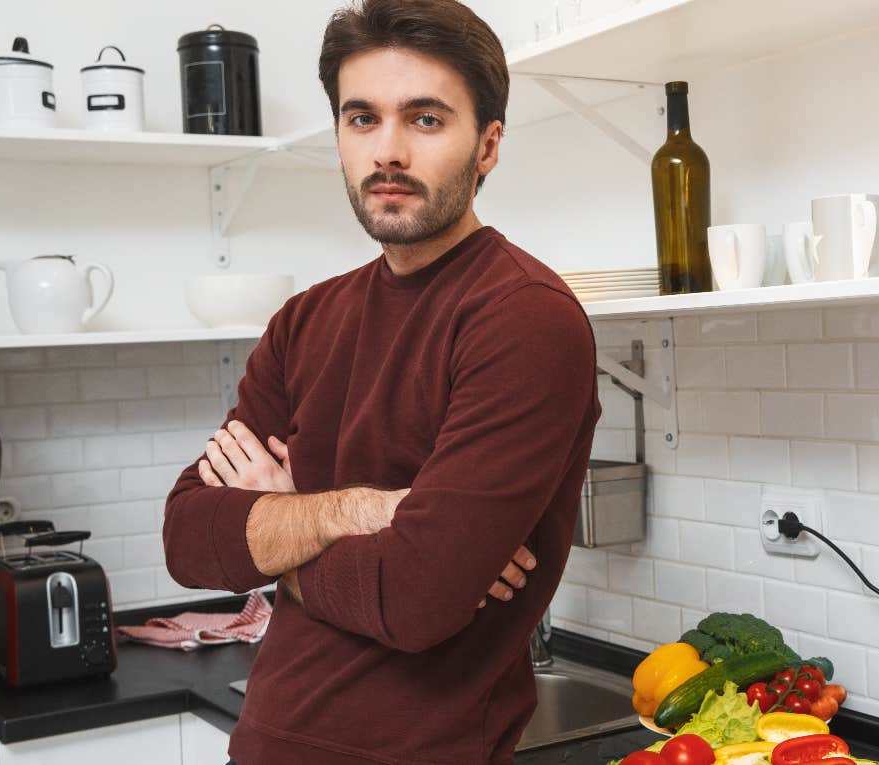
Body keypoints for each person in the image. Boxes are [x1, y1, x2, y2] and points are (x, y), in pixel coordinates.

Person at [161, 1, 602, 762]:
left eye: (425, 120)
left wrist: (279, 521)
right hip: (264, 744)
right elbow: (190, 538)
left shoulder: (524, 319)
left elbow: (414, 600)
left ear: (488, 145)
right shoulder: (304, 321)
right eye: (362, 119)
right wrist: (357, 511)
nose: (387, 151)